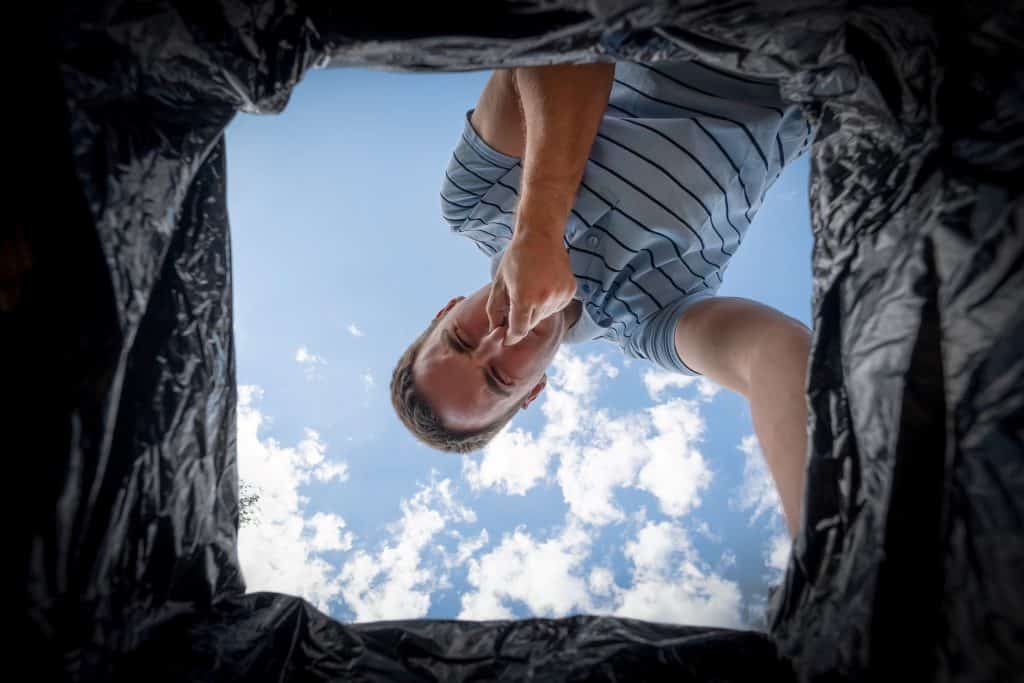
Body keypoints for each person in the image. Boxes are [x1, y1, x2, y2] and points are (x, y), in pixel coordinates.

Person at [391, 61, 815, 536]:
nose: (496, 338)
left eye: (460, 340)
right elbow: (772, 353)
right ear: (533, 390)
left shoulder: (473, 204)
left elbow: (559, 40)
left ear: (447, 310)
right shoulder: (648, 324)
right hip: (808, 65)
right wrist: (827, 544)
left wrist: (539, 228)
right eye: (497, 376)